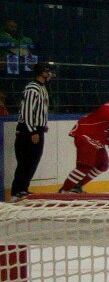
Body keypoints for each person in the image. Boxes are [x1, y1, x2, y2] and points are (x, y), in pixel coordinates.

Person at [61, 92, 109, 193]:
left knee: (102, 164)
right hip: (86, 135)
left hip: (97, 140)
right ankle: (64, 190)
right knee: (85, 166)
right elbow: (106, 112)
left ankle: (76, 186)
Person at [9, 61, 51, 199]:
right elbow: (27, 112)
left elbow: (39, 111)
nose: (50, 74)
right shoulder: (32, 88)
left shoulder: (42, 88)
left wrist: (42, 125)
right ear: (42, 72)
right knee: (25, 161)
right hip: (27, 130)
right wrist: (32, 131)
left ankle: (23, 189)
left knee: (33, 160)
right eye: (48, 71)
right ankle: (17, 191)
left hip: (36, 129)